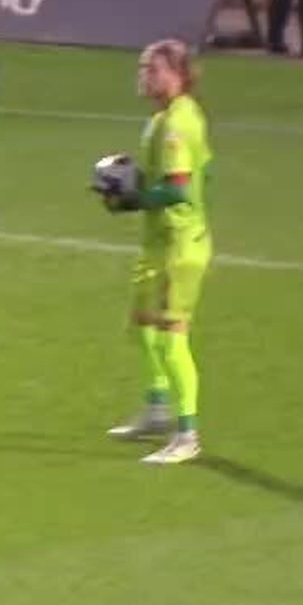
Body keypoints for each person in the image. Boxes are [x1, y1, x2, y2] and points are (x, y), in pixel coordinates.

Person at [99, 39, 213, 467]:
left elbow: (179, 188)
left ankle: (187, 435)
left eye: (152, 69)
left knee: (171, 338)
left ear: (177, 75)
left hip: (179, 248)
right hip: (159, 243)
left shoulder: (178, 124)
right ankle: (157, 410)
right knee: (143, 328)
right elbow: (206, 172)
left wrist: (134, 199)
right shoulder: (161, 120)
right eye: (142, 67)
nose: (143, 75)